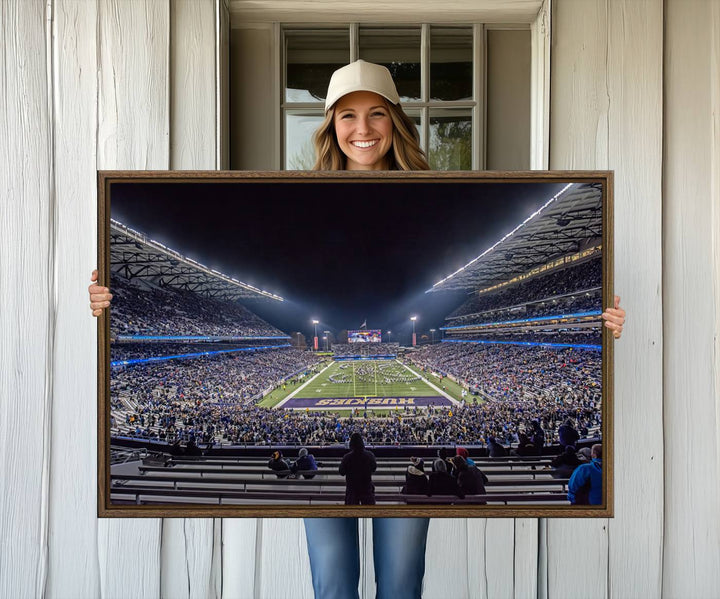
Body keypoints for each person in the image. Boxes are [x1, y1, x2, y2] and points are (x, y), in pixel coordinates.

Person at [88, 59, 626, 599]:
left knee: (400, 583)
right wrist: (106, 299)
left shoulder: (432, 195)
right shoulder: (296, 196)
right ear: (330, 126)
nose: (362, 129)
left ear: (396, 120)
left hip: (398, 472)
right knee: (333, 583)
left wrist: (600, 322)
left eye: (376, 114)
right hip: (326, 468)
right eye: (347, 116)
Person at [339, 432, 377, 505]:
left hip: (352, 489)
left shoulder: (347, 457)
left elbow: (341, 472)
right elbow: (374, 468)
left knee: (352, 513)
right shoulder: (370, 455)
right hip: (366, 488)